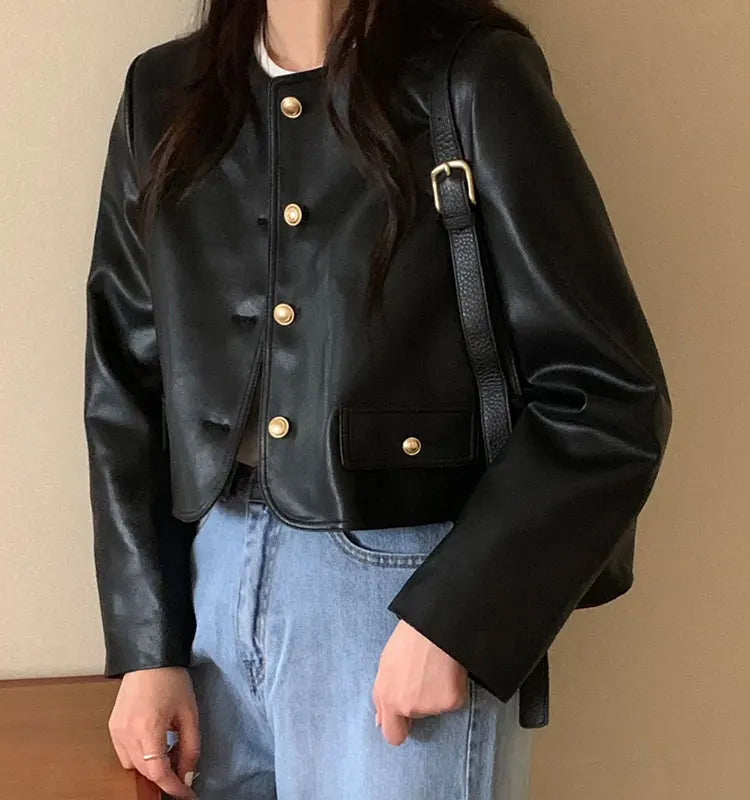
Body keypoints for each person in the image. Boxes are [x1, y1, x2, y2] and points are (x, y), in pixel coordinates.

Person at [82, 1, 672, 798]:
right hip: (206, 588)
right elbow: (124, 384)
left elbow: (605, 393)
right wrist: (147, 644)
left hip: (399, 596)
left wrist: (458, 618)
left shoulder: (469, 75)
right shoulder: (163, 93)